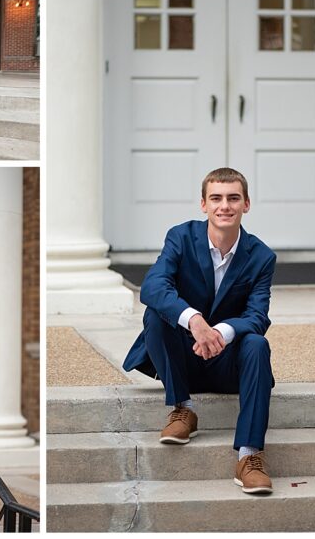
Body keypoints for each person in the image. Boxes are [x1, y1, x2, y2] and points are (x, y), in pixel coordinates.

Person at [122, 167, 277, 494]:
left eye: (233, 198)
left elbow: (257, 315)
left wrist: (220, 331)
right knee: (155, 315)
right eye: (216, 198)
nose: (225, 206)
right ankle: (183, 409)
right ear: (203, 204)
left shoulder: (261, 256)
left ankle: (249, 456)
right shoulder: (181, 237)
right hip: (183, 360)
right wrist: (193, 320)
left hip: (228, 365)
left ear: (246, 204)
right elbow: (152, 287)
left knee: (257, 344)